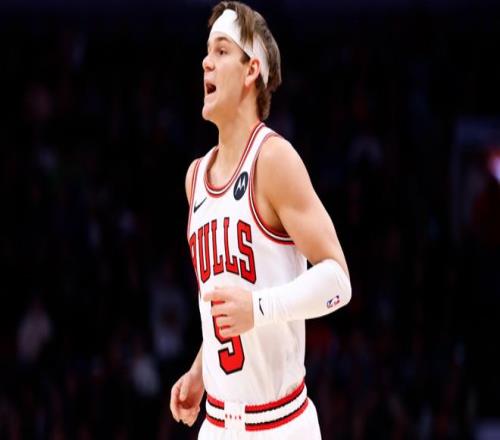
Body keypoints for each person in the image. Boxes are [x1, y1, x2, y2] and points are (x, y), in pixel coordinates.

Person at [170, 2, 351, 438]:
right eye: (207, 52)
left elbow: (337, 282)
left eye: (221, 51)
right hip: (217, 424)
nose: (206, 62)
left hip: (281, 423)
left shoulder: (273, 159)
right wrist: (200, 370)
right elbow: (223, 305)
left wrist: (258, 309)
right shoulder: (196, 177)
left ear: (251, 69)